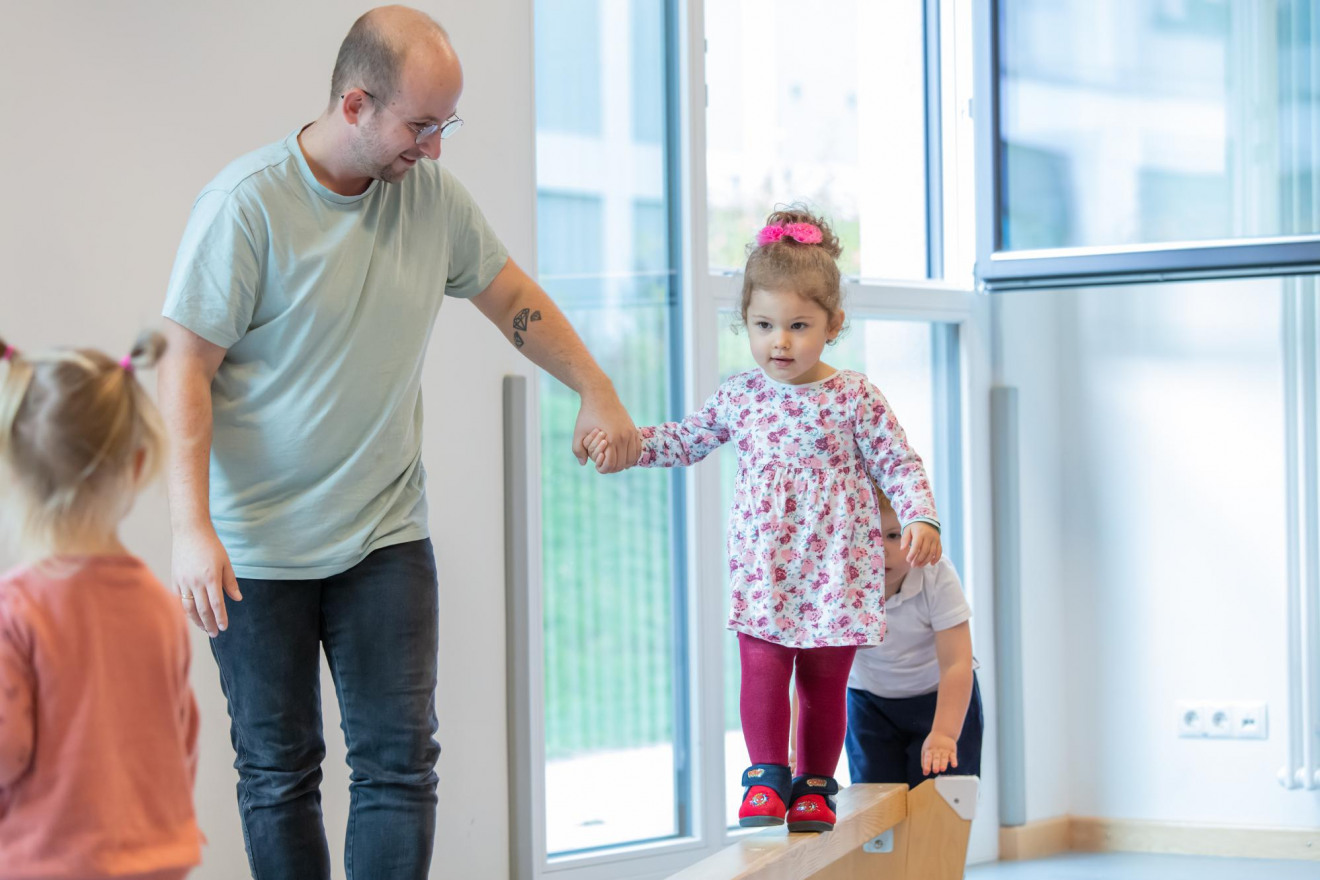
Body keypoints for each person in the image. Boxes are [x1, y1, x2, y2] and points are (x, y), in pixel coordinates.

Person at [157, 6, 637, 877]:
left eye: (446, 124)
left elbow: (512, 301)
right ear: (354, 104)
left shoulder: (431, 200)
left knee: (400, 768)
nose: (437, 149)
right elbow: (183, 366)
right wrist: (191, 528)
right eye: (422, 126)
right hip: (256, 545)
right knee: (277, 773)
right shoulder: (246, 207)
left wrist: (595, 390)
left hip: (383, 536)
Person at [585, 207, 942, 833]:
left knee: (826, 683)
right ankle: (766, 776)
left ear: (833, 325)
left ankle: (814, 786)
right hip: (766, 566)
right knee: (763, 665)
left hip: (837, 565)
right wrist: (630, 445)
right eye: (764, 325)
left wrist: (920, 517)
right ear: (744, 323)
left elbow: (898, 462)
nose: (780, 342)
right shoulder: (742, 394)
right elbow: (689, 438)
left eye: (799, 325)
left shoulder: (854, 395)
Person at [0, 333, 202, 879]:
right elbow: (181, 742)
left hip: (49, 863)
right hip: (156, 860)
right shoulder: (160, 607)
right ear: (137, 464)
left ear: (13, 470)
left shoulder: (14, 611)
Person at [844, 487, 982, 788]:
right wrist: (797, 750)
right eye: (867, 534)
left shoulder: (935, 574)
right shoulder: (838, 582)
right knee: (874, 797)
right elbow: (812, 675)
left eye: (894, 536)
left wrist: (945, 733)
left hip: (940, 698)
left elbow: (957, 663)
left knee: (943, 797)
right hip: (869, 701)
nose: (880, 550)